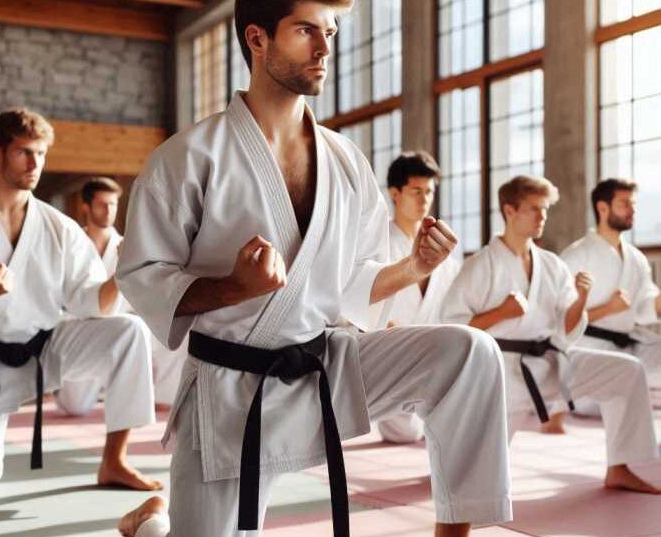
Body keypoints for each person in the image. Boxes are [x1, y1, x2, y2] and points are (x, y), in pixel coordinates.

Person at [115, 2, 512, 537]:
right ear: (257, 40)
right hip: (231, 392)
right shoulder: (187, 158)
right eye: (306, 31)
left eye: (330, 31)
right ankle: (151, 522)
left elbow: (353, 280)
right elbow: (143, 277)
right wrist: (234, 287)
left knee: (470, 353)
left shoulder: (346, 159)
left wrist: (412, 266)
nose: (325, 49)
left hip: (324, 365)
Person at [0, 108, 161, 492]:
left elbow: (90, 300)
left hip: (46, 347)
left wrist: (124, 272)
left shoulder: (58, 226)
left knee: (130, 331)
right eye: (24, 152)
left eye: (41, 154)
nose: (35, 163)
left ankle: (114, 460)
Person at [442, 175, 660, 495]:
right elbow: (452, 330)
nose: (542, 217)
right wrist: (500, 313)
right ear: (510, 211)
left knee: (625, 371)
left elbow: (567, 326)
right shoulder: (480, 266)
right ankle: (451, 470)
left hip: (551, 360)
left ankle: (619, 467)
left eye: (545, 210)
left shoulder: (552, 265)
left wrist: (582, 301)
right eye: (534, 209)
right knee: (471, 478)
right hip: (501, 372)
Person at [55, 177, 183, 416]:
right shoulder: (71, 245)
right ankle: (81, 387)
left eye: (113, 204)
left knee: (175, 335)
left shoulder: (129, 246)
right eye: (102, 204)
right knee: (75, 408)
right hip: (83, 329)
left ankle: (160, 397)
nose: (109, 210)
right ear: (86, 207)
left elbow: (150, 291)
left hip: (125, 324)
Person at [375, 151, 460, 444]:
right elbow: (354, 305)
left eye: (429, 192)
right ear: (394, 193)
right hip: (388, 360)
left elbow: (452, 312)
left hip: (433, 363)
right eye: (416, 191)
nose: (424, 199)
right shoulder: (376, 245)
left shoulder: (445, 256)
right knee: (404, 433)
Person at [560, 179, 661, 415]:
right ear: (602, 208)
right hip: (588, 349)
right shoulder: (576, 255)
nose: (632, 210)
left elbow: (645, 305)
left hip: (629, 345)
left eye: (633, 204)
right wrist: (608, 308)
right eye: (625, 203)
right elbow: (560, 322)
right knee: (625, 390)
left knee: (634, 377)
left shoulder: (636, 258)